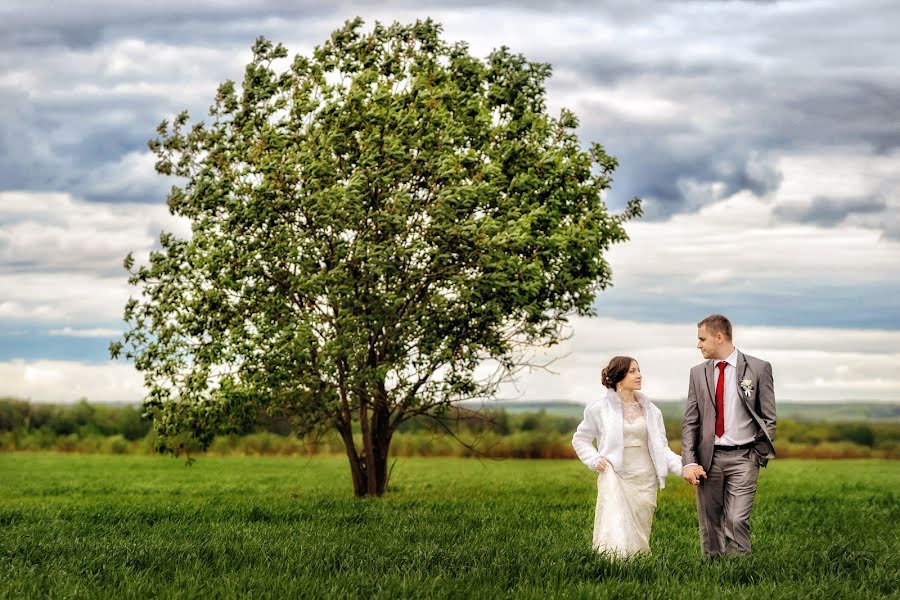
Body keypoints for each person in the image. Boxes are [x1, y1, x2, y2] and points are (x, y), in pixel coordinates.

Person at [681, 314, 776, 557]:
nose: (698, 344)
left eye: (702, 339)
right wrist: (690, 461)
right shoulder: (697, 373)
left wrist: (758, 454)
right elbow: (691, 421)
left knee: (736, 519)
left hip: (744, 457)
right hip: (707, 460)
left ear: (719, 337)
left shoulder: (758, 368)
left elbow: (769, 418)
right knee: (709, 522)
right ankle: (713, 573)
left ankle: (739, 574)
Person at [572, 356, 683, 557]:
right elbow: (580, 439)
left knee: (640, 527)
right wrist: (595, 460)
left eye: (639, 370)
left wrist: (682, 467)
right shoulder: (598, 409)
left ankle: (638, 564)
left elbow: (662, 447)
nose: (639, 375)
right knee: (615, 523)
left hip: (645, 477)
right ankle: (613, 564)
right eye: (632, 371)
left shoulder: (652, 410)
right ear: (618, 377)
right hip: (615, 473)